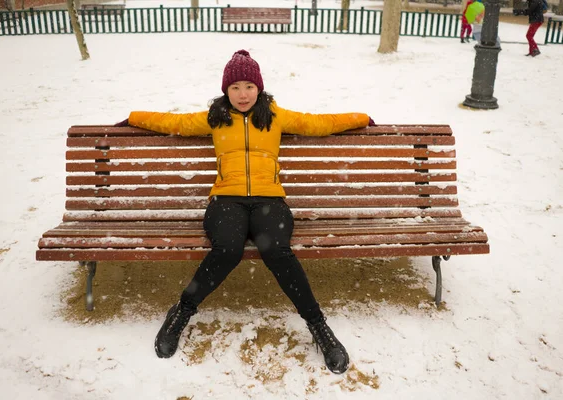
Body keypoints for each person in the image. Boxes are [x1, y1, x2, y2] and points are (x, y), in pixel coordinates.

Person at [115, 50, 375, 374]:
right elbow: (175, 123)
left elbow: (317, 124)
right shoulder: (215, 116)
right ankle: (181, 312)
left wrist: (361, 118)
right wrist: (135, 117)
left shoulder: (275, 115)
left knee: (277, 251)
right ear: (226, 89)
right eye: (235, 86)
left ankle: (319, 327)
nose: (242, 94)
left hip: (270, 200)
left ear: (259, 88)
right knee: (227, 249)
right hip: (226, 201)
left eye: (249, 86)